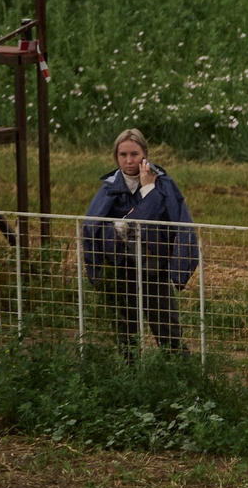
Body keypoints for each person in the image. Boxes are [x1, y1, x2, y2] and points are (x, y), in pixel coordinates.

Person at [80, 128, 197, 352]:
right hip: (121, 270)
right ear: (116, 157)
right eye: (123, 155)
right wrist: (97, 273)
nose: (129, 160)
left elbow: (183, 225)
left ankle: (182, 382)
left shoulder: (164, 185)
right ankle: (130, 382)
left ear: (145, 153)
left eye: (134, 154)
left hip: (155, 271)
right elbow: (91, 229)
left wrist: (180, 270)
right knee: (126, 336)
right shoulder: (110, 188)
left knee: (169, 334)